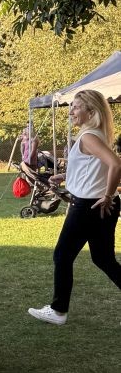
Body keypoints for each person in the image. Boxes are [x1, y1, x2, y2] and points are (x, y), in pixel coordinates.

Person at [28, 89, 121, 325]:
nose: (71, 111)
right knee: (103, 259)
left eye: (76, 107)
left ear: (91, 111)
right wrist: (65, 176)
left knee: (62, 255)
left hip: (90, 206)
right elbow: (93, 168)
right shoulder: (95, 135)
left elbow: (115, 164)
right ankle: (58, 310)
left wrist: (107, 195)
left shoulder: (90, 136)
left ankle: (58, 311)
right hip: (99, 205)